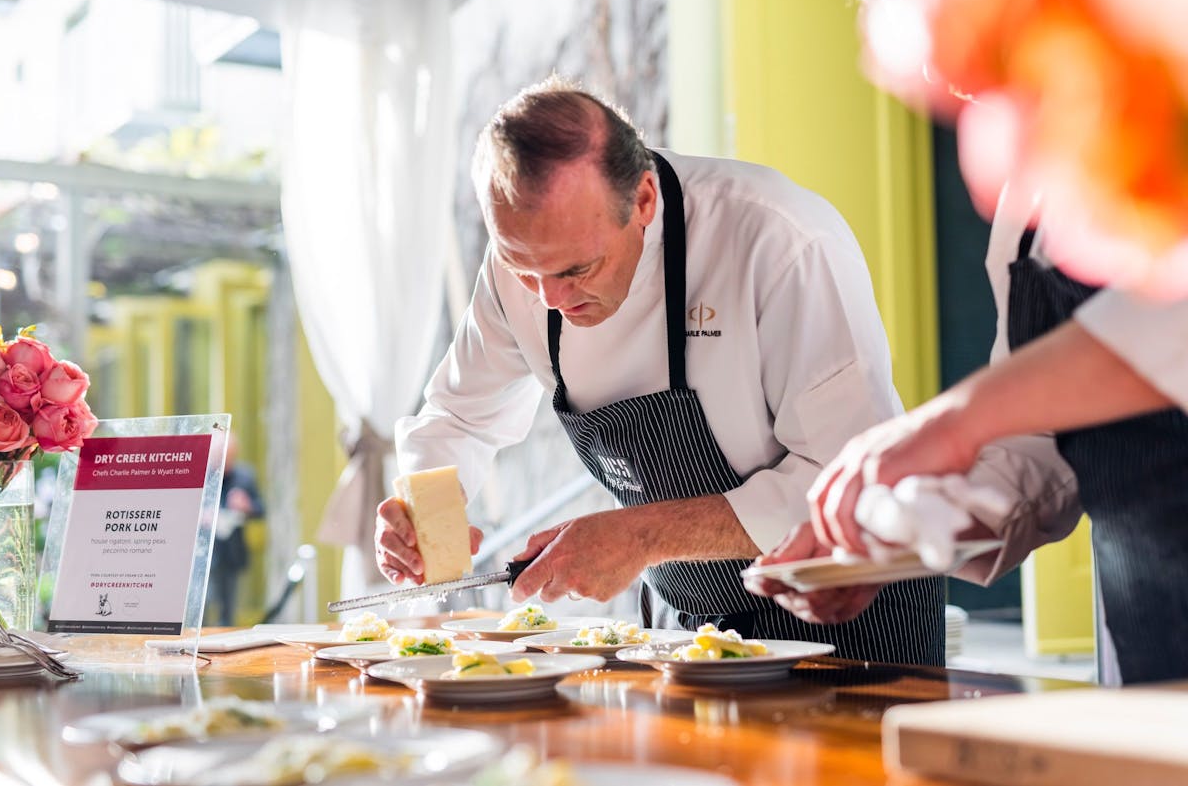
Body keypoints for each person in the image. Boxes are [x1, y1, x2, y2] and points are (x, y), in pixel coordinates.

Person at [374, 77, 945, 665]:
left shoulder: (780, 239)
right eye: (522, 268)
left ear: (644, 199)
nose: (548, 298)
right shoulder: (524, 263)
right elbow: (459, 418)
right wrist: (423, 516)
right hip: (694, 624)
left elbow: (846, 484)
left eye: (577, 269)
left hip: (846, 608)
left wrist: (639, 535)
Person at [748, 180, 1188, 683]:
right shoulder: (1024, 200)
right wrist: (897, 533)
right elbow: (1042, 438)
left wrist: (957, 419)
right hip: (1148, 617)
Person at [207, 435, 265, 626]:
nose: (225, 462)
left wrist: (247, 506)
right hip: (203, 553)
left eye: (230, 457)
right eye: (221, 457)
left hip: (231, 553)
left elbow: (261, 510)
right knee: (203, 608)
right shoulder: (200, 476)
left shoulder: (244, 476)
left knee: (228, 609)